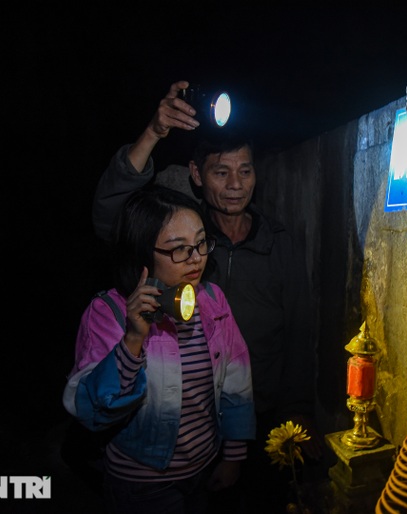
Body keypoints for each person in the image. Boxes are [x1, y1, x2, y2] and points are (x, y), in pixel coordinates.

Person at [92, 80, 323, 512]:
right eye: (221, 172)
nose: (236, 185)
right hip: (183, 431)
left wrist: (297, 409)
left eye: (246, 171)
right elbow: (111, 220)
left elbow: (299, 329)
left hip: (260, 422)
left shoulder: (278, 242)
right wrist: (153, 135)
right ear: (197, 175)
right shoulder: (183, 240)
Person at [63, 185, 255, 513]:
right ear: (142, 255)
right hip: (143, 482)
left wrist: (233, 455)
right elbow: (90, 410)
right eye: (178, 249)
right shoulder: (107, 313)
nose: (196, 258)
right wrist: (134, 336)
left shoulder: (211, 300)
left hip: (205, 466)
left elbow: (237, 378)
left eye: (200, 243)